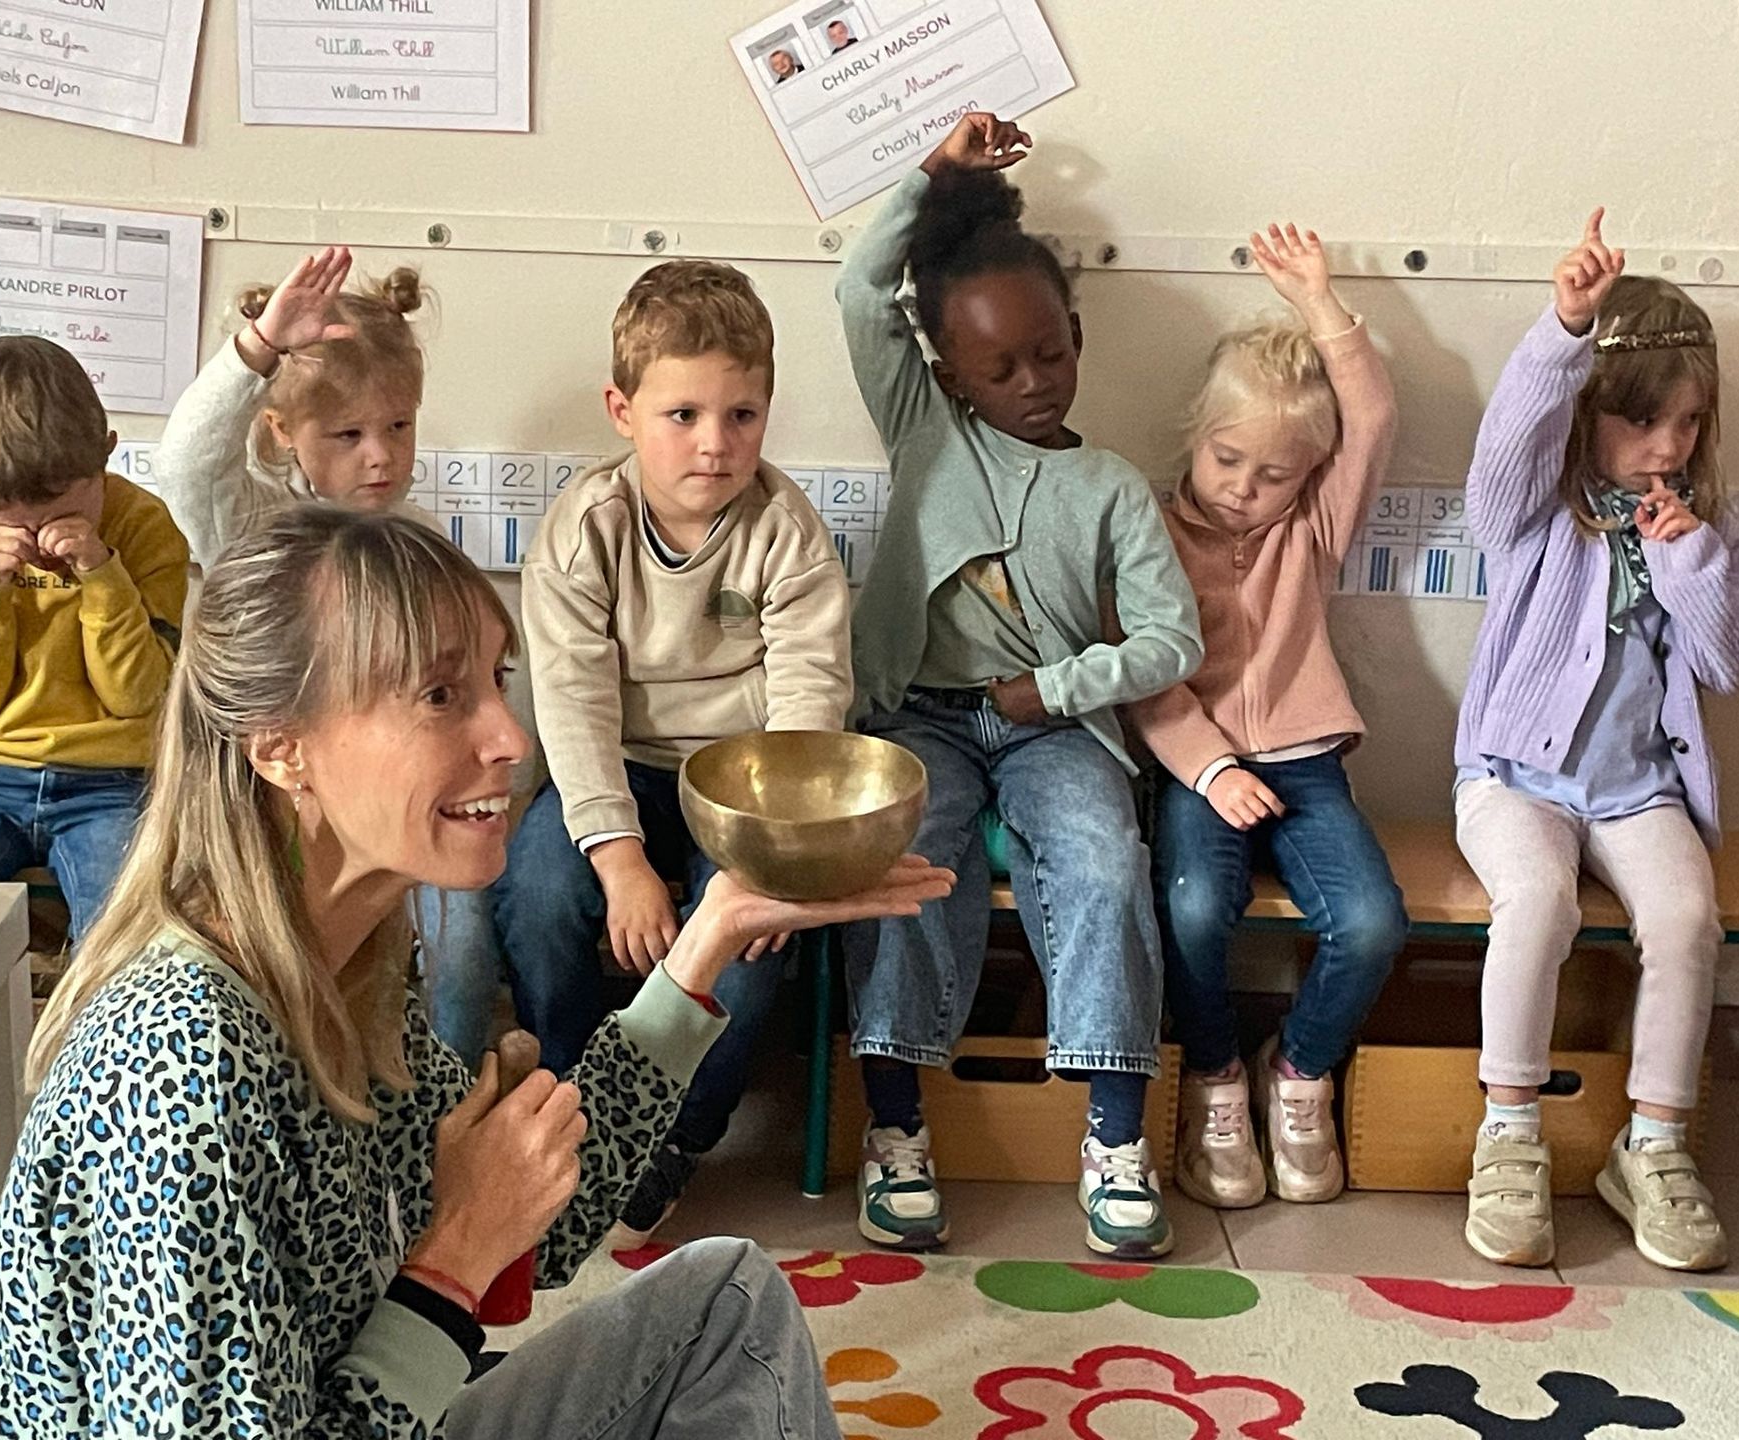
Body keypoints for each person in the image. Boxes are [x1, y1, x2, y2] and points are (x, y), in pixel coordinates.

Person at [0, 508, 953, 1437]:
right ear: (281, 748)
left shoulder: (346, 973)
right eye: (441, 696)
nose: (510, 738)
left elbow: (545, 1224)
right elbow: (479, 1240)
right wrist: (456, 1256)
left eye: (493, 679)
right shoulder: (182, 1064)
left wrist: (711, 935)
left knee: (726, 1304)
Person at [838, 112, 1202, 1257]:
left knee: (1104, 858)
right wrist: (932, 173)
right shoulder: (924, 427)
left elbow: (1171, 639)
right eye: (998, 368)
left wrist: (1059, 686)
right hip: (921, 718)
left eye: (1050, 354)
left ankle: (1115, 1137)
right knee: (899, 861)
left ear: (1077, 337)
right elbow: (858, 287)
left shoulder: (1110, 486)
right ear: (949, 370)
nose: (1032, 383)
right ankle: (895, 1127)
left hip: (1055, 729)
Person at [495, 260, 852, 1242]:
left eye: (742, 415)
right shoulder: (586, 528)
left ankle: (675, 1137)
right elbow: (571, 705)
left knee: (753, 939)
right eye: (683, 415)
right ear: (623, 411)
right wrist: (619, 861)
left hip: (746, 787)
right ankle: (573, 1105)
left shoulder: (787, 532)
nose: (715, 442)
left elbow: (810, 701)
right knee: (537, 890)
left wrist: (768, 851)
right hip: (616, 770)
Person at [1457, 209, 1739, 1272]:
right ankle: (1509, 1130)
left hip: (1638, 788)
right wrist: (1564, 328)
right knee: (1539, 902)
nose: (1666, 448)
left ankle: (1654, 1145)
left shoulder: (1708, 532)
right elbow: (1505, 450)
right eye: (1642, 422)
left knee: (1686, 917)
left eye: (1688, 424)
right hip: (1512, 779)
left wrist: (1691, 561)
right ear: (1590, 417)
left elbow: (1722, 666)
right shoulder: (1535, 511)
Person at [155, 244, 502, 1062]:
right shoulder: (255, 522)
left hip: (402, 798)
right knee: (290, 968)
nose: (379, 454)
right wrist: (257, 352)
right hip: (275, 811)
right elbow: (184, 467)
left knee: (459, 947)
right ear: (281, 433)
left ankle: (439, 1092)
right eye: (347, 434)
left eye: (398, 427)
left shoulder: (417, 538)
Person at [1130, 222, 1407, 1210]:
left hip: (1305, 763)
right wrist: (1211, 769)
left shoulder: (1313, 530)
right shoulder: (1150, 533)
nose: (1245, 490)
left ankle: (1297, 1071)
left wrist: (1321, 306)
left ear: (1307, 478)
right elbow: (1146, 679)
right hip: (1198, 772)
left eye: (1274, 475)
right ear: (1195, 439)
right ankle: (1211, 1074)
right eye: (1227, 459)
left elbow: (1371, 416)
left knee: (1372, 923)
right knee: (1193, 909)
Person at [0, 336, 187, 1219]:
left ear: (104, 457)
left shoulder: (145, 528)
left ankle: (98, 1121)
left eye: (62, 506)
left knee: (127, 927)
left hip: (111, 772)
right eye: (2, 512)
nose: (36, 530)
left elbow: (140, 692)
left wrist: (101, 574)